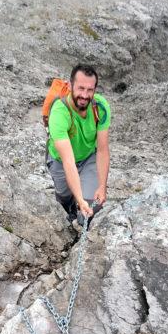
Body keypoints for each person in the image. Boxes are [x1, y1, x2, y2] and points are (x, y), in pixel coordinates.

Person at [47, 64, 111, 225]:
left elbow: (102, 150)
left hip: (88, 157)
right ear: (70, 86)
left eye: (90, 90)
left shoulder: (101, 108)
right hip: (61, 161)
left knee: (91, 205)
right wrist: (78, 199)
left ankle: (82, 223)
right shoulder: (59, 113)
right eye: (80, 88)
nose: (84, 95)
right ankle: (69, 210)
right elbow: (68, 161)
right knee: (64, 197)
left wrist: (102, 186)